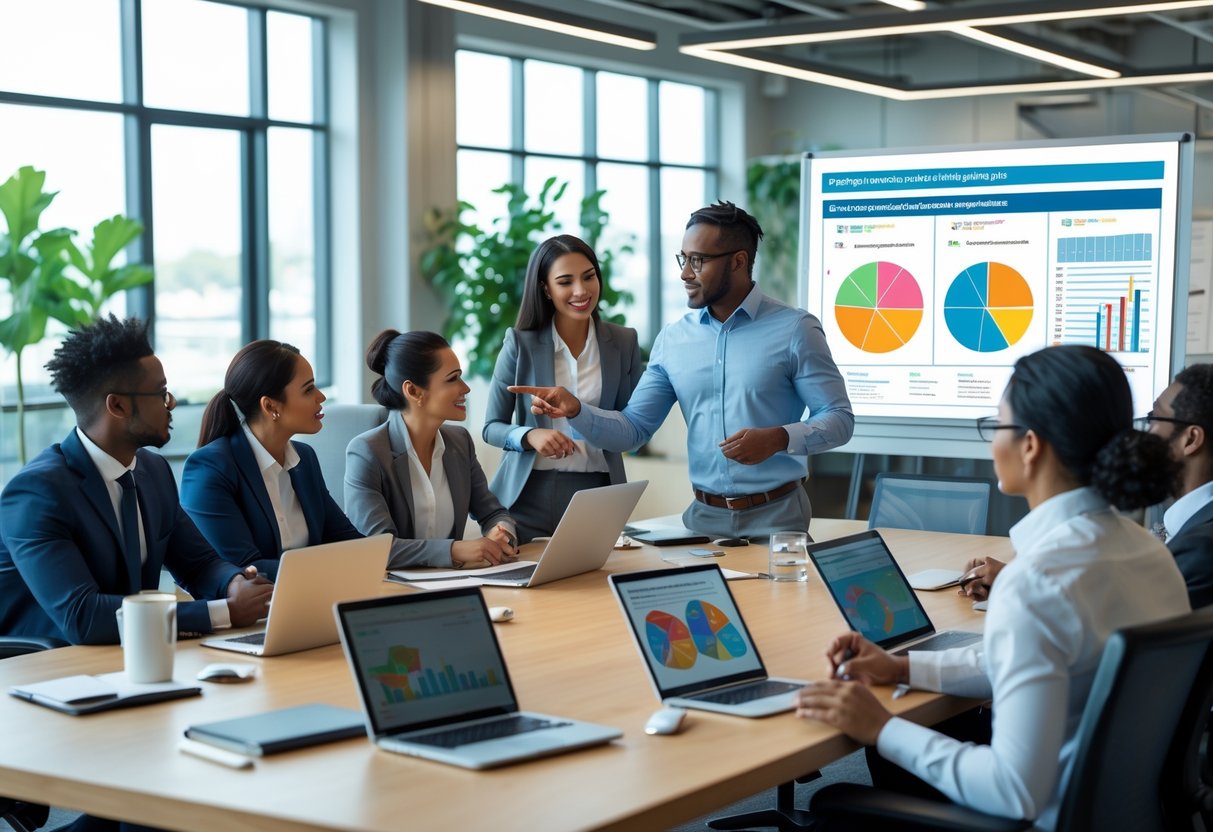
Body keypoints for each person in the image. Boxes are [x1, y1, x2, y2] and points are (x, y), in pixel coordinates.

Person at [795, 345, 1188, 829]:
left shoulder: (1037, 581)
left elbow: (1013, 792)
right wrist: (899, 666)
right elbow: (1033, 659)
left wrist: (882, 728)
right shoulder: (1150, 552)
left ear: (1030, 444)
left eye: (995, 426)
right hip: (1131, 816)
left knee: (835, 799)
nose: (991, 443)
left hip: (1042, 818)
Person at [510, 201, 854, 538]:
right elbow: (633, 429)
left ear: (738, 261)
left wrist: (779, 438)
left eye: (697, 261)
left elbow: (839, 418)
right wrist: (576, 410)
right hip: (703, 521)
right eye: (683, 258)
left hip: (779, 519)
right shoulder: (673, 340)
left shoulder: (796, 329)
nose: (685, 273)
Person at [0, 316, 273, 645]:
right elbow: (81, 616)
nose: (171, 404)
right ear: (116, 405)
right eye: (160, 394)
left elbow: (199, 564)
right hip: (47, 667)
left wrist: (234, 584)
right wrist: (223, 612)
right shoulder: (36, 493)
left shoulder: (152, 472)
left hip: (130, 653)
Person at [961, 362, 1213, 609]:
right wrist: (1018, 580)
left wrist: (1025, 586)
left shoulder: (1199, 551)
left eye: (1153, 418)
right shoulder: (1154, 543)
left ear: (1190, 439)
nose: (1144, 434)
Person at [483, 234, 643, 542]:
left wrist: (585, 415)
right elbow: (491, 427)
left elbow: (632, 430)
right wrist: (530, 435)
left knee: (592, 588)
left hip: (597, 493)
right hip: (526, 496)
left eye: (589, 276)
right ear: (546, 288)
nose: (581, 291)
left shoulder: (624, 343)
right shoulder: (520, 343)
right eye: (565, 281)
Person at [180, 340, 362, 580]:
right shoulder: (210, 468)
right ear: (270, 406)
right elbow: (246, 568)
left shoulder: (304, 459)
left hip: (311, 598)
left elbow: (348, 541)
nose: (321, 396)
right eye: (308, 390)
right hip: (246, 612)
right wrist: (328, 568)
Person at [344, 330, 518, 569]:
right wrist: (455, 549)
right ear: (414, 391)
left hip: (454, 581)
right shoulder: (367, 452)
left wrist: (501, 533)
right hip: (394, 591)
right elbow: (377, 548)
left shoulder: (460, 442)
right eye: (452, 379)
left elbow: (493, 513)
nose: (465, 388)